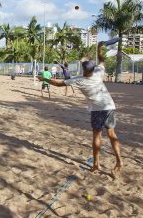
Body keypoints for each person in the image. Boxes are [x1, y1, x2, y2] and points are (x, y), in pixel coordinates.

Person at [38, 41, 122, 177]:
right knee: (112, 135)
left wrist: (44, 79)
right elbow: (101, 60)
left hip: (97, 110)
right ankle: (119, 161)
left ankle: (96, 164)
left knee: (97, 136)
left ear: (83, 69)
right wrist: (99, 49)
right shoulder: (99, 72)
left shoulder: (79, 80)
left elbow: (59, 84)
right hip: (110, 106)